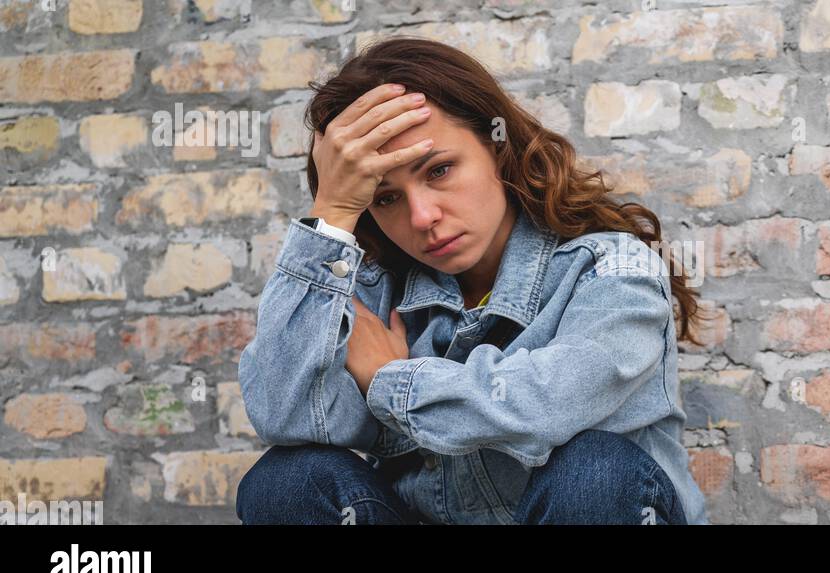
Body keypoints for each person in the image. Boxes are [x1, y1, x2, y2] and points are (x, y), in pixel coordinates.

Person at [234, 37, 711, 525]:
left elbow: (544, 408)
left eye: (439, 170)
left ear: (497, 148)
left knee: (596, 473)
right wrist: (332, 214)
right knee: (285, 480)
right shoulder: (373, 291)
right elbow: (282, 414)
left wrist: (388, 379)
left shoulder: (613, 270)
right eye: (385, 199)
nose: (422, 217)